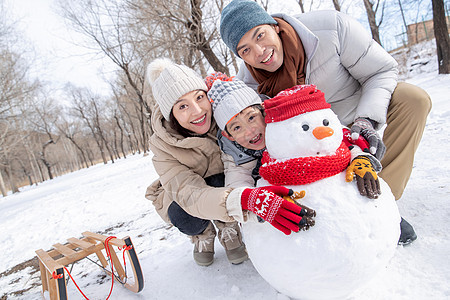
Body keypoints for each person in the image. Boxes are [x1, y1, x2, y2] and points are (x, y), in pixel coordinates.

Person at [219, 0, 432, 245]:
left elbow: (380, 71)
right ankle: (329, 209)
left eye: (260, 35)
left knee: (413, 99)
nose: (259, 52)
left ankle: (381, 204)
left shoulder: (331, 28)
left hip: (356, 113)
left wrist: (365, 121)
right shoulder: (248, 87)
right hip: (312, 142)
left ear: (273, 25)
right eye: (245, 50)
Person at [144, 58, 308, 266]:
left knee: (230, 177)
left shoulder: (226, 113)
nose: (197, 111)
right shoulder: (162, 144)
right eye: (183, 106)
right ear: (172, 115)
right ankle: (203, 234)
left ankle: (227, 225)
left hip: (227, 180)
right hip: (186, 196)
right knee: (184, 217)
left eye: (199, 97)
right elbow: (188, 193)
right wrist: (243, 200)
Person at [207, 74, 381, 201]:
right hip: (287, 191)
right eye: (236, 127)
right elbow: (237, 185)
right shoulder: (233, 153)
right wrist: (255, 201)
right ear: (228, 135)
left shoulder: (286, 118)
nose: (249, 131)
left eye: (251, 117)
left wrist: (359, 157)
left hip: (328, 177)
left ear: (263, 111)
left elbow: (334, 134)